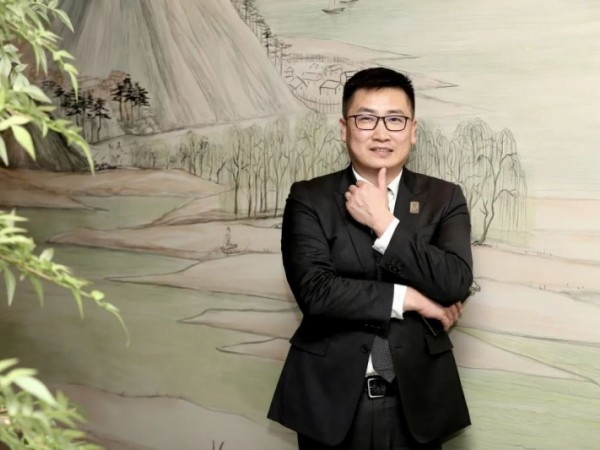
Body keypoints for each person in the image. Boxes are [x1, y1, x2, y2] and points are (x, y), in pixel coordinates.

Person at [268, 67, 473, 450]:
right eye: (366, 119)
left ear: (413, 130)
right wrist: (410, 299)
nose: (381, 133)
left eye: (395, 119)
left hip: (417, 399)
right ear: (344, 128)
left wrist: (384, 223)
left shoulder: (444, 198)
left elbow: (454, 282)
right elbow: (317, 293)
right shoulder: (309, 198)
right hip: (330, 397)